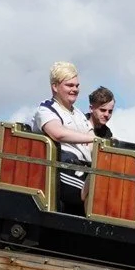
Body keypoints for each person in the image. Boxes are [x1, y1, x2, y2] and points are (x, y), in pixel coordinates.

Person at [32, 62, 101, 213]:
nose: (75, 90)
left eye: (76, 86)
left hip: (84, 167)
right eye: (69, 85)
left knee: (107, 183)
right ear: (55, 87)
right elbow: (58, 133)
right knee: (96, 188)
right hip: (59, 168)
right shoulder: (46, 109)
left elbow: (92, 141)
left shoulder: (78, 113)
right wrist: (93, 140)